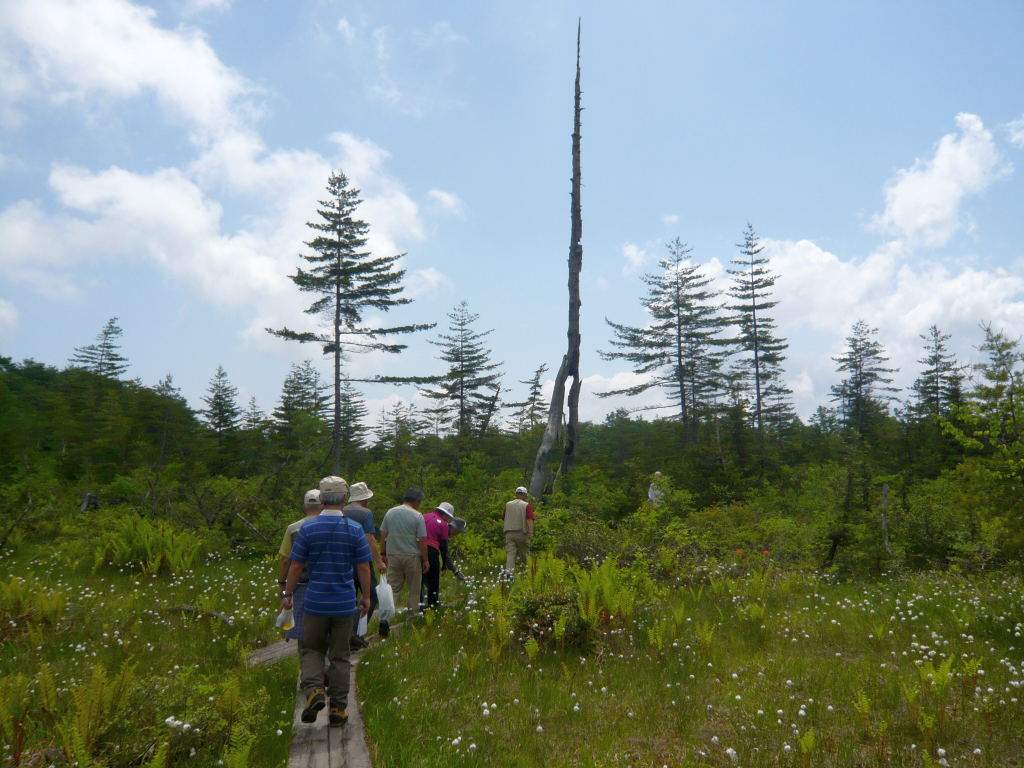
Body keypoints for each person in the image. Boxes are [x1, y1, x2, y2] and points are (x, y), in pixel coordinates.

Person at [281, 476, 372, 728]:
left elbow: (296, 564)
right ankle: (337, 709)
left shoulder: (308, 529)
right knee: (340, 655)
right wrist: (365, 597)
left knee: (312, 649)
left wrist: (288, 594)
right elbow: (363, 567)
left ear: (321, 499)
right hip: (344, 604)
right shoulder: (354, 529)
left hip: (314, 603)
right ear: (344, 499)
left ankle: (313, 692)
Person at [342, 481, 386, 649]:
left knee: (350, 597)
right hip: (362, 559)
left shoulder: (341, 511)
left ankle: (346, 635)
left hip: (344, 559)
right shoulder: (366, 513)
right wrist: (379, 560)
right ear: (364, 498)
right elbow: (370, 538)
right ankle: (356, 632)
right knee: (371, 595)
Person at [277, 489, 322, 642]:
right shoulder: (331, 526)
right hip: (325, 584)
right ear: (323, 506)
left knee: (303, 635)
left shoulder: (293, 528)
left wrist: (282, 584)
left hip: (301, 585)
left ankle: (307, 661)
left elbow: (286, 561)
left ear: (304, 507)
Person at [379, 488, 429, 621]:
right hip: (412, 556)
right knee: (414, 589)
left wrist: (383, 553)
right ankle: (411, 619)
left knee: (393, 589)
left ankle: (385, 618)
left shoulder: (390, 512)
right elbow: (422, 540)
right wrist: (426, 560)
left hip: (393, 555)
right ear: (416, 501)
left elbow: (383, 534)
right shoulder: (418, 516)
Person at [420, 502, 456, 607]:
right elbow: (443, 546)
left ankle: (419, 602)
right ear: (446, 514)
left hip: (416, 548)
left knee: (419, 577)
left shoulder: (422, 517)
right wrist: (444, 564)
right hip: (431, 550)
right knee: (433, 578)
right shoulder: (443, 524)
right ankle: (433, 602)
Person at [502, 486, 535, 573]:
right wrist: (531, 533)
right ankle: (527, 572)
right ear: (525, 495)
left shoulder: (508, 504)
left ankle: (509, 573)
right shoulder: (526, 505)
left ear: (516, 495)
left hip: (509, 533)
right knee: (525, 552)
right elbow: (529, 519)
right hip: (521, 532)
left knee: (510, 554)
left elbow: (504, 517)